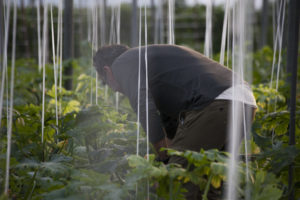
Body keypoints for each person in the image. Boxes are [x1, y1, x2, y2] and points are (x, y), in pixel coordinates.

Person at [93, 44, 257, 199]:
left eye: (105, 82)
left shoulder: (122, 63)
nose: (114, 90)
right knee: (206, 184)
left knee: (176, 183)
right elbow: (170, 123)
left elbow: (144, 108)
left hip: (217, 103)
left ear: (107, 71)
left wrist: (165, 159)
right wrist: (168, 154)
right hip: (243, 101)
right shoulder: (147, 62)